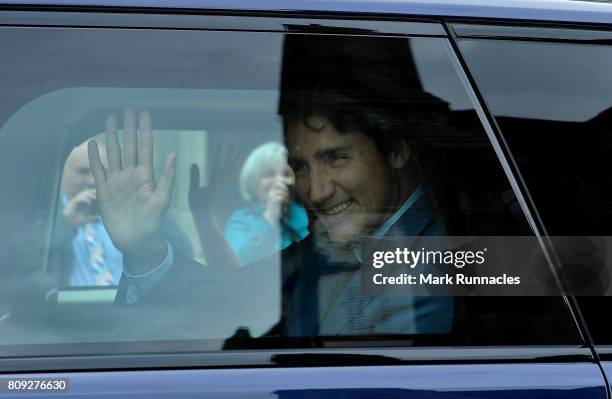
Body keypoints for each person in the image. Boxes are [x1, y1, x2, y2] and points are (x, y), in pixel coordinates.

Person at [88, 35, 455, 337]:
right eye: (300, 167)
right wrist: (145, 251)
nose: (315, 191)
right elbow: (234, 297)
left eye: (336, 158)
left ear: (396, 149)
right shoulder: (332, 244)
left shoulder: (440, 262)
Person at [49, 139, 123, 286]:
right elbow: (28, 265)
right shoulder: (47, 216)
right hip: (72, 307)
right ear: (63, 175)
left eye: (101, 172)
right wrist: (65, 223)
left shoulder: (132, 212)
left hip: (129, 305)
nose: (93, 181)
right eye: (83, 171)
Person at [225, 142, 309, 264]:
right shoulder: (240, 222)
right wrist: (271, 214)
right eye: (269, 174)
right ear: (252, 182)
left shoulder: (304, 215)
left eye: (286, 174)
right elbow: (236, 262)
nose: (280, 180)